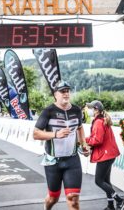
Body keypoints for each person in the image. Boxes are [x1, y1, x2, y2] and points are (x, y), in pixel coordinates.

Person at [33, 80, 90, 210]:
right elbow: (35, 134)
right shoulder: (48, 111)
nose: (66, 94)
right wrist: (55, 134)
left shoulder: (76, 110)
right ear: (55, 94)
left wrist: (84, 145)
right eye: (62, 91)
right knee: (53, 198)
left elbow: (80, 128)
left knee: (73, 199)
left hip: (72, 160)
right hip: (53, 161)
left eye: (67, 91)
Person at [85, 100, 124, 210]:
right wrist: (88, 141)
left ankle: (120, 200)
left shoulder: (98, 122)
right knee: (106, 182)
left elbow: (97, 140)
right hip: (109, 154)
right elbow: (97, 138)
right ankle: (110, 206)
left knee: (99, 181)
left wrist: (84, 140)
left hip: (105, 155)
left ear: (96, 110)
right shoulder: (102, 120)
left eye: (90, 108)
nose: (88, 110)